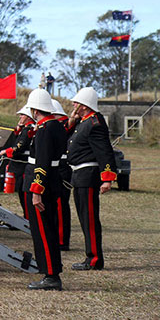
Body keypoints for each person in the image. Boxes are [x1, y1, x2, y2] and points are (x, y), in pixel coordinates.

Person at [66, 87, 117, 271]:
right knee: (83, 218)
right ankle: (90, 256)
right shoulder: (83, 121)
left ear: (84, 105)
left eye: (76, 103)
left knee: (89, 219)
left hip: (88, 175)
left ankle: (94, 259)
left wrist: (107, 178)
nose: (73, 105)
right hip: (79, 176)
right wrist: (71, 121)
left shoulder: (94, 123)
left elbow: (104, 152)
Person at [23, 88, 66, 290]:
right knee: (46, 229)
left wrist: (36, 190)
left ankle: (50, 275)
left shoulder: (45, 129)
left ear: (35, 110)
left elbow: (42, 162)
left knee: (43, 231)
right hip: (52, 181)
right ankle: (51, 271)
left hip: (42, 183)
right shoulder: (55, 126)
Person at [0, 105, 36, 218]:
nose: (20, 117)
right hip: (21, 165)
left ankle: (28, 217)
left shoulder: (28, 130)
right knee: (21, 193)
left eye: (23, 115)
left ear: (29, 117)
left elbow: (19, 147)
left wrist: (6, 151)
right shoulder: (24, 129)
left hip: (23, 165)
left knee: (24, 193)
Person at [52, 99, 72, 251]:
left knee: (60, 205)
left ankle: (61, 239)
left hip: (62, 168)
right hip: (58, 167)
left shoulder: (63, 125)